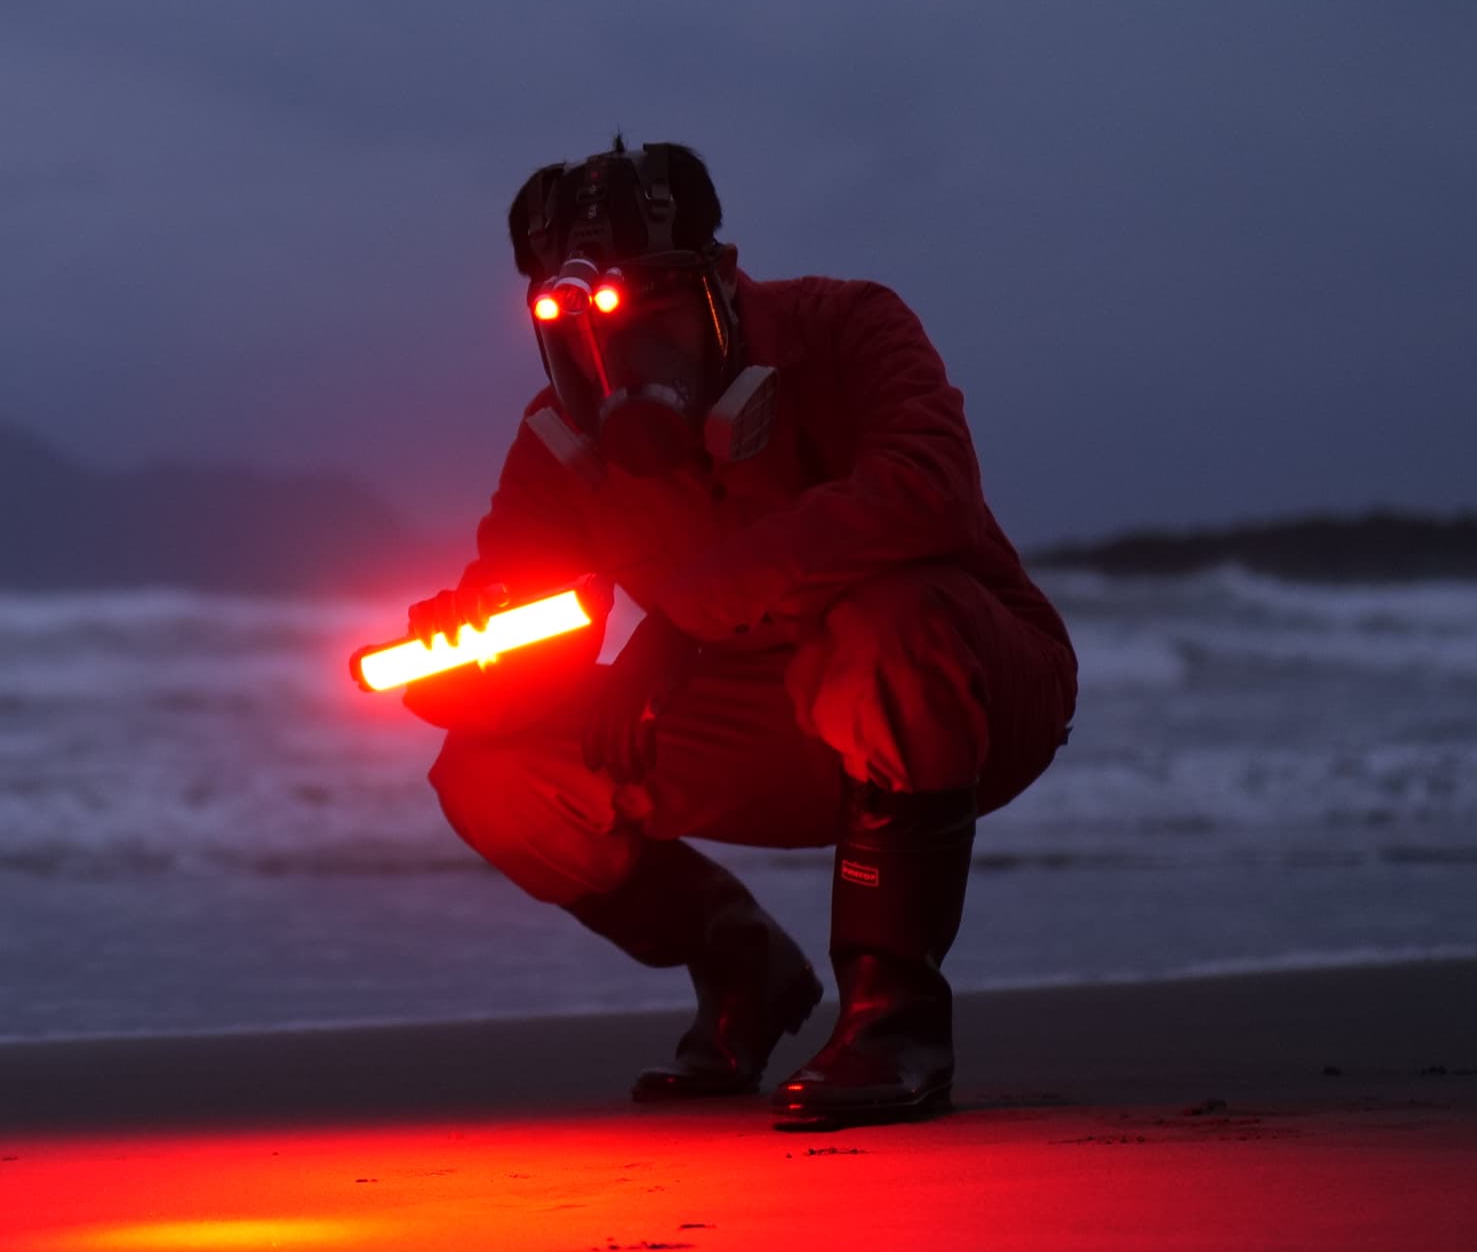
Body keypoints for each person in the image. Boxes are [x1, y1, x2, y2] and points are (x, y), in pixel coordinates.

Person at [402, 140, 1073, 1125]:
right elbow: (527, 615)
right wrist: (467, 656)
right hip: (764, 721)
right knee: (493, 777)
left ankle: (895, 1021)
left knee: (890, 623)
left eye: (651, 311)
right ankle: (741, 965)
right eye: (573, 323)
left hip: (965, 689)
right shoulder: (560, 449)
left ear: (720, 278)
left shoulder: (848, 327)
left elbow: (928, 494)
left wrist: (680, 618)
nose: (616, 357)